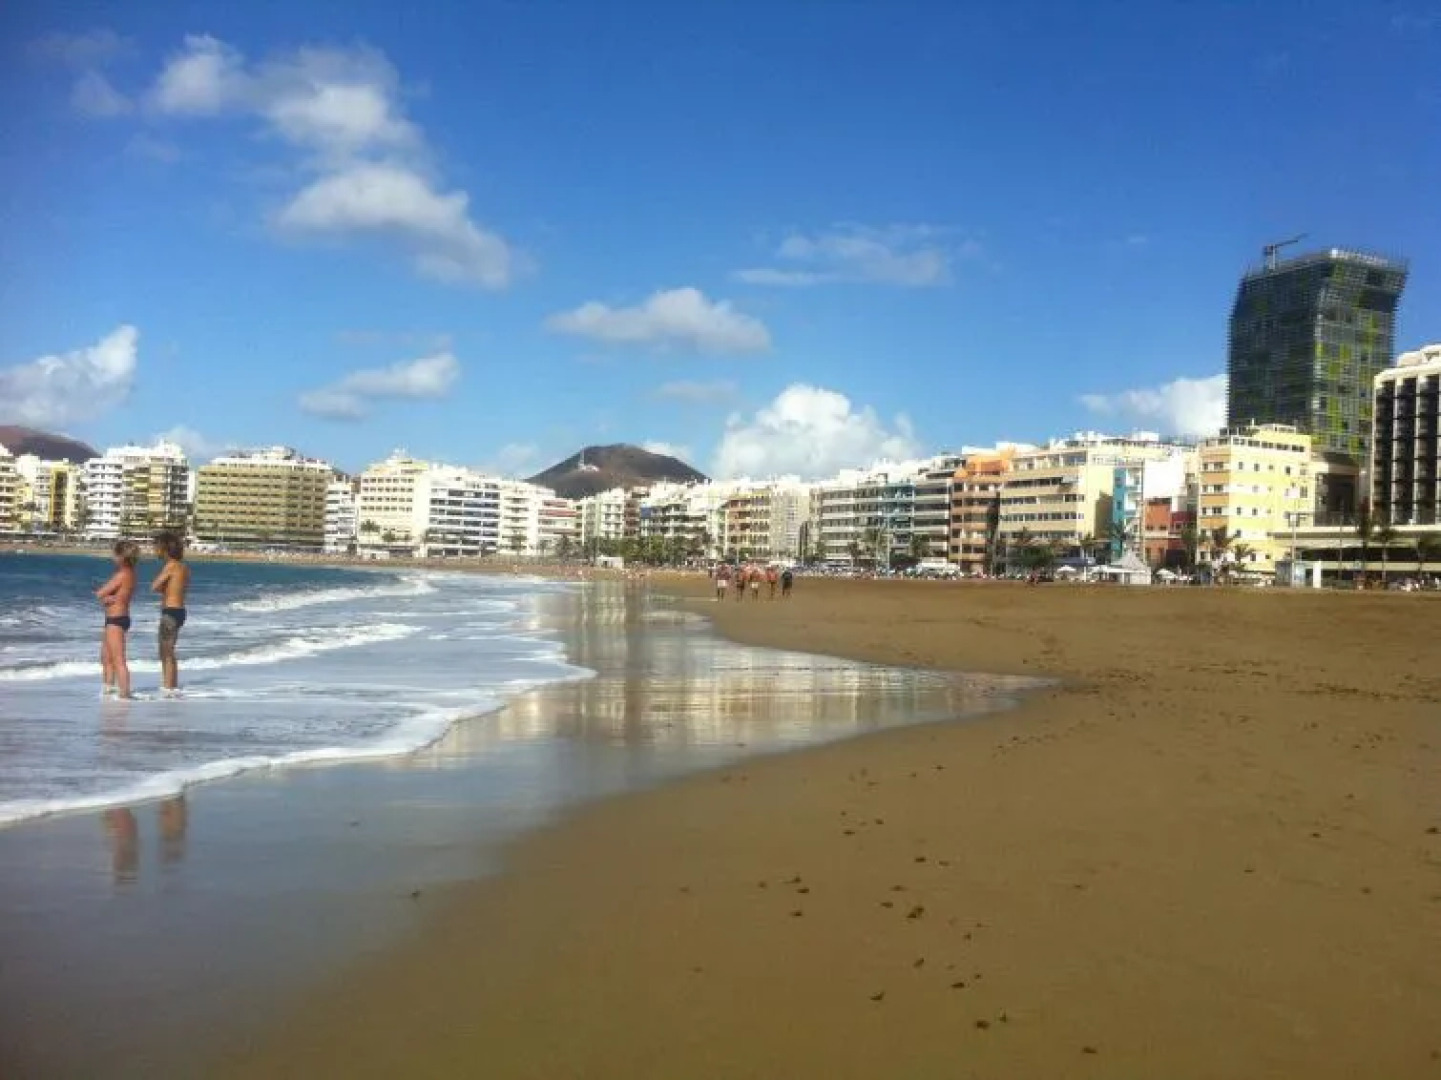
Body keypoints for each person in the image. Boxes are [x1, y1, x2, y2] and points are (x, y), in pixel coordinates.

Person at [96, 540, 139, 698]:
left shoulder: (122, 574)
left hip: (116, 619)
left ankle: (125, 694)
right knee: (106, 658)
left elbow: (100, 592)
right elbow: (116, 595)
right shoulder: (130, 573)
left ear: (122, 557)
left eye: (114, 554)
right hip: (117, 618)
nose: (112, 557)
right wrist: (107, 598)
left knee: (118, 659)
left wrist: (104, 596)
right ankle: (108, 689)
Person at [152, 530, 191, 696]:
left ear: (165, 550)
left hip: (170, 611)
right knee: (170, 651)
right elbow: (182, 588)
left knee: (165, 651)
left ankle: (168, 687)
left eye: (157, 548)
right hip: (180, 610)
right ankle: (172, 685)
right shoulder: (184, 567)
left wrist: (163, 588)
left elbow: (155, 586)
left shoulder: (170, 566)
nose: (155, 551)